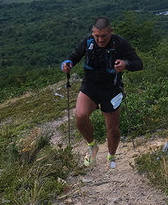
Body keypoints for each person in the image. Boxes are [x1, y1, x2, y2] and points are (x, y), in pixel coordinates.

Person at [61, 17, 143, 169]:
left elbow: (138, 63)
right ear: (92, 33)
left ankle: (111, 156)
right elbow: (73, 57)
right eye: (96, 36)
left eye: (104, 36)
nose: (100, 39)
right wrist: (67, 64)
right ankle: (92, 146)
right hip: (90, 86)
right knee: (80, 116)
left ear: (111, 32)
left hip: (112, 88)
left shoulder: (119, 43)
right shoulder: (87, 42)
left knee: (112, 129)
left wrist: (126, 64)